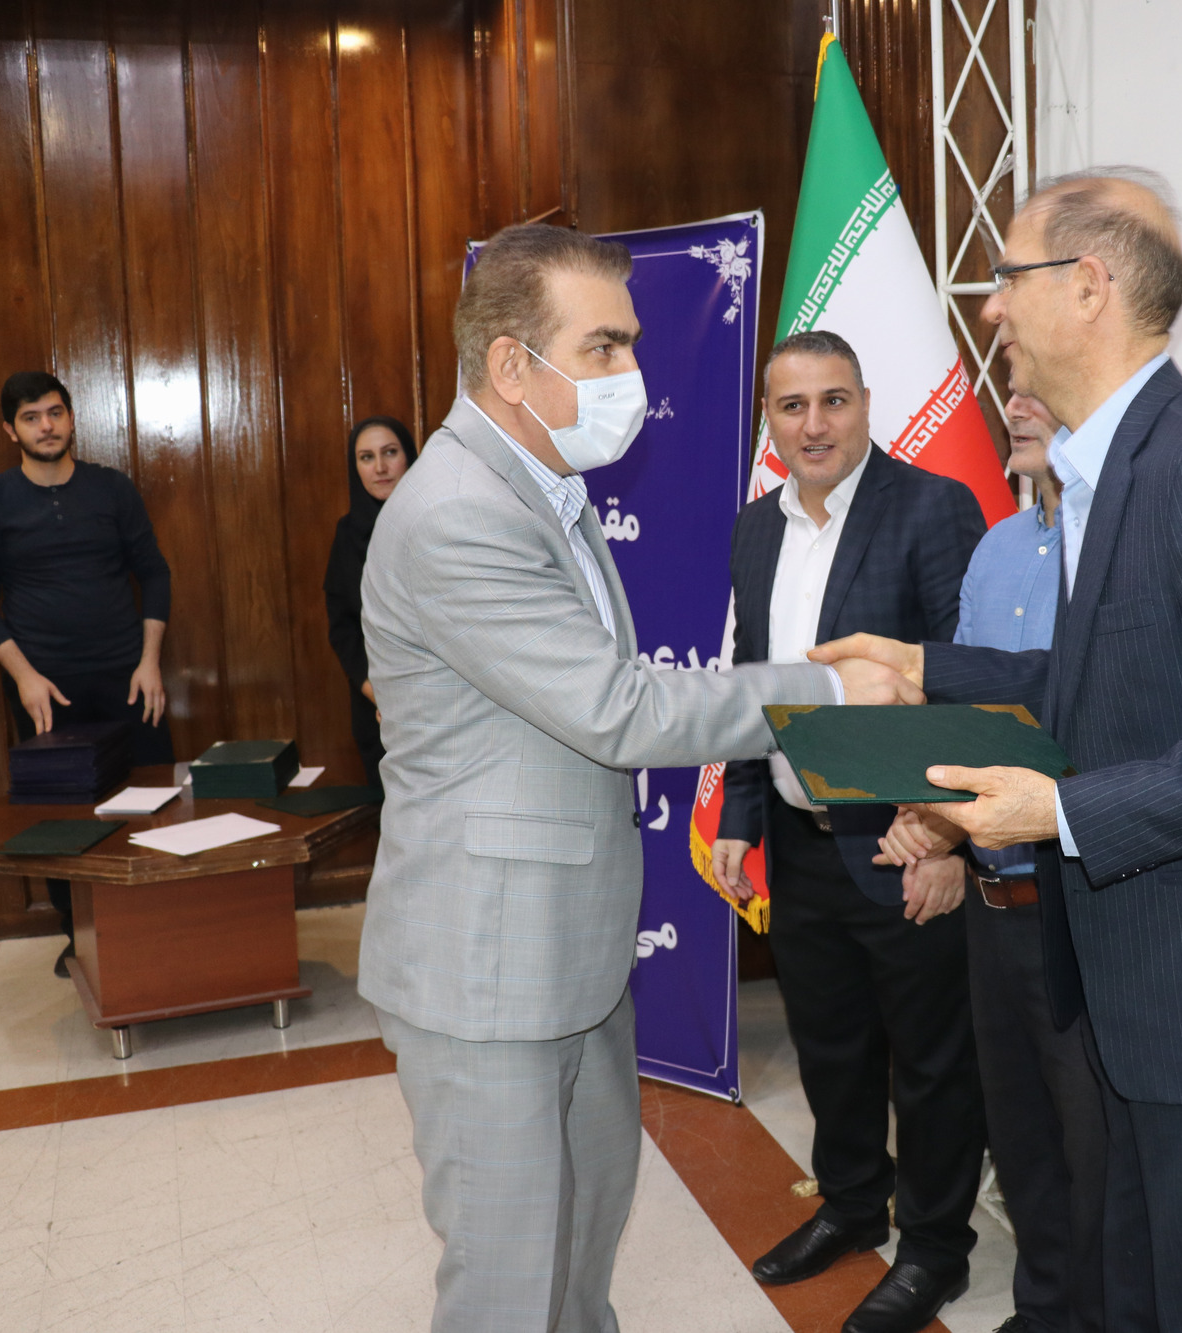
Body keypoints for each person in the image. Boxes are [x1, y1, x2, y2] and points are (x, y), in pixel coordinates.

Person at [812, 167, 1182, 1332]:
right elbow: (1094, 684)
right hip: (1123, 986)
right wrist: (922, 667)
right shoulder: (1107, 470)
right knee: (1130, 1297)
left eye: (1006, 278)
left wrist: (1060, 814)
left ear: (1087, 286)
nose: (990, 309)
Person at [355, 224, 920, 1333]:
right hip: (487, 970)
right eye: (604, 347)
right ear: (511, 364)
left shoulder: (543, 489)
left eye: (632, 343)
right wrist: (827, 688)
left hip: (567, 950)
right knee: (511, 1280)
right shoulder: (459, 511)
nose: (632, 374)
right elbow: (616, 709)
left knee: (579, 1245)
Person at [709, 330, 989, 1333]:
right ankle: (852, 1204)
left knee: (931, 1063)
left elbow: (963, 681)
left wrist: (943, 837)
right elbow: (753, 685)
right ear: (769, 422)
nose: (814, 424)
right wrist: (741, 815)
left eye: (834, 400)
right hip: (797, 840)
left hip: (902, 845)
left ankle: (934, 1249)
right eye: (793, 406)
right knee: (829, 1045)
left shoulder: (932, 508)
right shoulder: (754, 529)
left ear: (866, 404)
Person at [881, 390, 1110, 1333]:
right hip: (991, 906)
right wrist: (928, 818)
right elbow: (966, 721)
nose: (1013, 404)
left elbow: (1096, 727)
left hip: (1079, 900)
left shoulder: (1115, 552)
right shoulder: (997, 549)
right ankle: (1042, 1311)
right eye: (1009, 385)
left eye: (1037, 387)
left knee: (1096, 1154)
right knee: (1021, 1143)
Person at [0, 370, 175, 978]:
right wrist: (24, 676)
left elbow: (154, 573)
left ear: (72, 417)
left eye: (55, 412)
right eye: (31, 418)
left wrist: (150, 660)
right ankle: (78, 936)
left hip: (129, 678)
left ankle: (161, 923)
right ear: (11, 430)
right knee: (60, 816)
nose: (46, 426)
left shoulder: (112, 489)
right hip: (45, 689)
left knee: (150, 800)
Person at [324, 415, 417, 796]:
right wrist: (377, 692)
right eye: (366, 457)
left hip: (440, 705)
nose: (379, 467)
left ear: (409, 458)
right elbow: (343, 626)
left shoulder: (438, 524)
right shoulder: (347, 536)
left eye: (390, 453)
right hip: (375, 707)